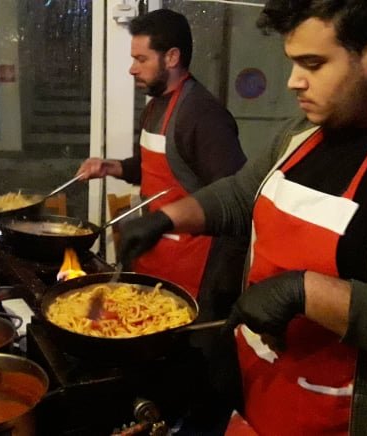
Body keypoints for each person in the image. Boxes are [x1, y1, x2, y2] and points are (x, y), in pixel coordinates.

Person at [119, 1, 367, 434]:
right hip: (261, 392)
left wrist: (304, 292)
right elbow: (240, 193)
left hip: (341, 419)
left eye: (312, 64)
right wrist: (167, 219)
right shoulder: (304, 132)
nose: (294, 81)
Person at [76, 9, 247, 299]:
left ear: (171, 58)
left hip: (191, 271)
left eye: (141, 59)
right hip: (154, 255)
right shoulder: (156, 105)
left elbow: (234, 199)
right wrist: (110, 167)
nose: (132, 69)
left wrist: (219, 292)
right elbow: (152, 168)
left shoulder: (202, 115)